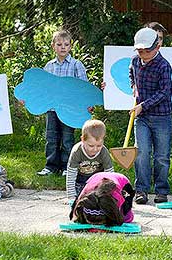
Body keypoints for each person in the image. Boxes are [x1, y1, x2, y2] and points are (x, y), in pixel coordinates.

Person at [129, 27, 172, 205]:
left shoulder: (164, 66)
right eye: (139, 51)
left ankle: (161, 190)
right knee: (141, 153)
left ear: (157, 47)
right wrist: (133, 86)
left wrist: (143, 105)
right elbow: (131, 74)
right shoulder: (135, 61)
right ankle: (141, 190)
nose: (142, 54)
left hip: (161, 117)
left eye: (146, 51)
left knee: (161, 156)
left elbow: (164, 92)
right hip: (142, 118)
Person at [37, 29, 88, 177]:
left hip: (69, 109)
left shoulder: (76, 65)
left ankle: (67, 166)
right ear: (53, 46)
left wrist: (85, 104)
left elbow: (83, 86)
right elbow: (43, 87)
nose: (63, 47)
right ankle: (51, 166)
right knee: (51, 137)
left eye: (66, 44)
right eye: (59, 44)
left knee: (67, 138)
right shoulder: (49, 66)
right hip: (52, 108)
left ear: (71, 46)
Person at [66, 120, 114, 202]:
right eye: (91, 145)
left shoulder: (103, 152)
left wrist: (111, 194)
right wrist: (71, 198)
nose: (95, 149)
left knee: (100, 198)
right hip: (80, 182)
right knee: (82, 200)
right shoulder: (76, 151)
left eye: (99, 145)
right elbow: (71, 175)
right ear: (83, 140)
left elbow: (110, 175)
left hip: (97, 182)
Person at [69, 172, 135, 226]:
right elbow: (75, 211)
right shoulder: (84, 196)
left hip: (123, 182)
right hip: (95, 177)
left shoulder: (116, 196)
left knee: (126, 217)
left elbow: (127, 218)